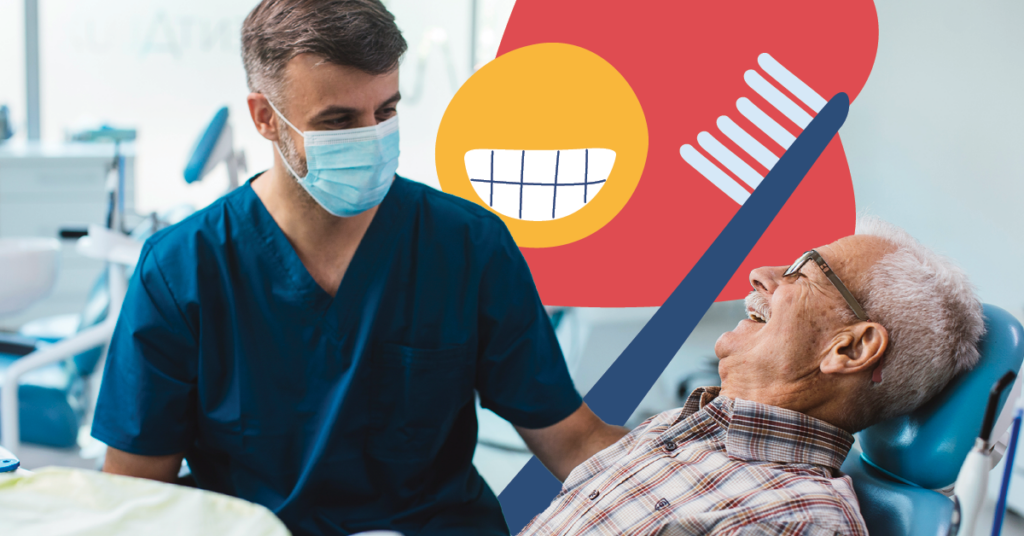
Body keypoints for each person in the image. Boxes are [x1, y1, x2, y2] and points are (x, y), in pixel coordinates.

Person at [89, 1, 626, 535]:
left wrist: (703, 454)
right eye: (338, 121)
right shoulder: (183, 269)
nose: (371, 136)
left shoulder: (466, 246)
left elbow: (575, 442)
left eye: (386, 112)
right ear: (264, 118)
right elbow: (135, 495)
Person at [518, 217, 986, 536]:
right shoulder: (678, 429)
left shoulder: (797, 518)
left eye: (803, 273)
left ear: (850, 348)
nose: (760, 274)